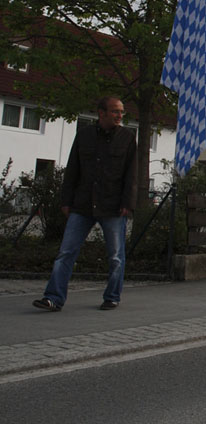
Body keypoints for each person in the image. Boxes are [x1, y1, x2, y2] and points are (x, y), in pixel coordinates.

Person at [32, 96, 137, 312]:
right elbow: (73, 170)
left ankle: (112, 296)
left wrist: (128, 203)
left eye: (121, 112)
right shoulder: (85, 135)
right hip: (82, 204)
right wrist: (66, 200)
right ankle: (53, 298)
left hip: (113, 205)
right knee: (65, 253)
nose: (119, 116)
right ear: (101, 113)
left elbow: (131, 174)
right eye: (115, 111)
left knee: (116, 256)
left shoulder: (127, 138)